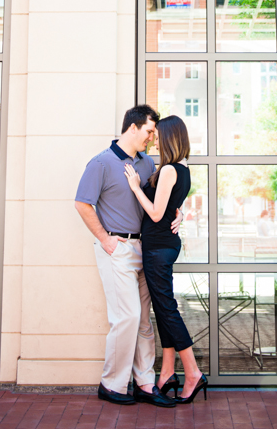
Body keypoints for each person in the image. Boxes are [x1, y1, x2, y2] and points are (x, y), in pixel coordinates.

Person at [74, 105, 182, 408]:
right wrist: (104, 239)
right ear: (133, 128)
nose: (152, 138)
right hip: (117, 249)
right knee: (128, 316)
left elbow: (163, 198)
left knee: (144, 320)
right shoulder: (101, 163)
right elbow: (83, 204)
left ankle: (146, 384)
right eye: (149, 131)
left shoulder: (148, 165)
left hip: (145, 250)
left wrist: (179, 212)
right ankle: (112, 384)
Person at [124, 114, 208, 404]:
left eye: (159, 136)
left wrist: (136, 188)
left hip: (158, 248)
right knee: (162, 310)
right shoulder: (180, 169)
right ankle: (168, 373)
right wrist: (181, 213)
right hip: (163, 246)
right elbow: (172, 208)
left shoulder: (170, 170)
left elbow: (157, 213)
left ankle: (193, 372)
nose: (155, 140)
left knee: (168, 310)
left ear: (170, 137)